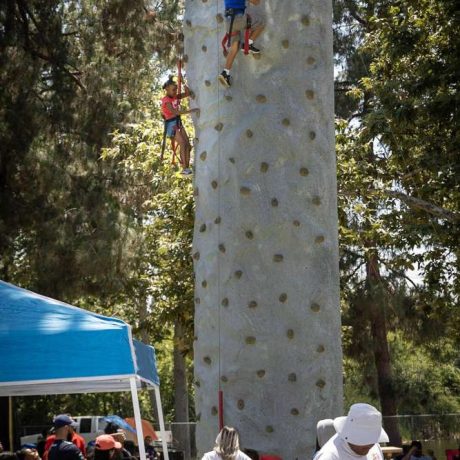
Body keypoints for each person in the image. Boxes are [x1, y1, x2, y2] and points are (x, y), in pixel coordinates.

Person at [314, 403, 389, 460]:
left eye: (372, 439)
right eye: (364, 439)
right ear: (350, 433)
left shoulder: (374, 447)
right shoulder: (329, 456)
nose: (370, 444)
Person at [219, 0, 265, 88]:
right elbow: (256, 2)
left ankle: (225, 73)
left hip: (229, 22)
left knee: (234, 48)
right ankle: (248, 44)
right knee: (261, 22)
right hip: (238, 19)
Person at [161, 76, 198, 175]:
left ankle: (187, 167)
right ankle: (184, 168)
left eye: (176, 89)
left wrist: (182, 81)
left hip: (178, 123)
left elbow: (187, 93)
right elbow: (175, 112)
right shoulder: (166, 100)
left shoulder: (175, 97)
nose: (175, 91)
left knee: (188, 145)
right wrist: (190, 111)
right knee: (182, 143)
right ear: (167, 89)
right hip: (171, 124)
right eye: (173, 89)